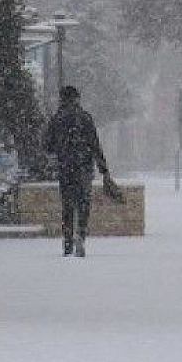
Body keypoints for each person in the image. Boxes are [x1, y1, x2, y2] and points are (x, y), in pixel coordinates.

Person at [41, 85, 115, 257]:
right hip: (83, 168)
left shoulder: (57, 118)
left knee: (67, 206)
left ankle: (67, 241)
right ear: (77, 98)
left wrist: (61, 148)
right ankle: (81, 235)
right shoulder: (85, 118)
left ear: (62, 99)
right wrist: (104, 170)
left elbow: (47, 146)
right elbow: (95, 145)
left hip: (65, 168)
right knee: (83, 205)